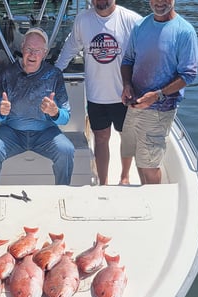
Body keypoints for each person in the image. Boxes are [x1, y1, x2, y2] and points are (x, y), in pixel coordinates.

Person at [55, 0, 142, 185]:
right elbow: (70, 48)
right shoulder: (82, 20)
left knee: (126, 138)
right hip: (96, 95)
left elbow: (147, 50)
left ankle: (124, 176)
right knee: (101, 138)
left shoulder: (132, 20)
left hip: (124, 94)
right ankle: (104, 182)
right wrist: (54, 74)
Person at [0, 28, 75, 186]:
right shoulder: (6, 74)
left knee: (66, 150)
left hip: (46, 133)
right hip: (11, 132)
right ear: (22, 48)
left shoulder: (54, 75)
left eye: (38, 50)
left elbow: (66, 117)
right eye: (29, 49)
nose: (33, 54)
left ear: (45, 53)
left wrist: (55, 112)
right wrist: (0, 111)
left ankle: (62, 192)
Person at [120, 0, 198, 184]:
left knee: (149, 164)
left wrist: (158, 94)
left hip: (160, 109)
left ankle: (155, 204)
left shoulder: (185, 31)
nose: (160, 2)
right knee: (133, 150)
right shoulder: (140, 25)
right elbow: (128, 61)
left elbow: (189, 74)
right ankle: (140, 192)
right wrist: (127, 85)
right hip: (135, 103)